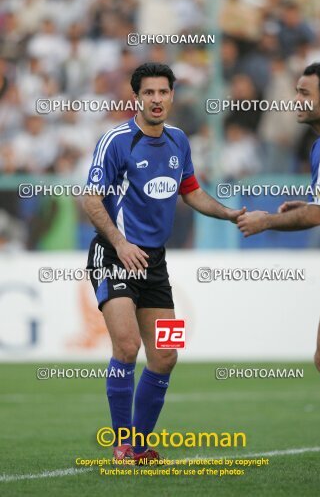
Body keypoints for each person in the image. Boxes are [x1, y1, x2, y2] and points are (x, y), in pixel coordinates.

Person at [83, 62, 245, 462]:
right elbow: (90, 197)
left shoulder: (178, 141)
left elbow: (191, 191)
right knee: (127, 344)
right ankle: (122, 444)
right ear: (137, 97)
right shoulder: (117, 140)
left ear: (173, 95)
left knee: (167, 356)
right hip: (114, 256)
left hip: (155, 265)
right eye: (149, 93)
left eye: (163, 92)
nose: (157, 99)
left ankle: (140, 446)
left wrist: (227, 213)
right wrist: (119, 244)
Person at [237, 62, 320, 410]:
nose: (295, 100)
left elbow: (313, 217)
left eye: (304, 94)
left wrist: (264, 221)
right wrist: (318, 201)